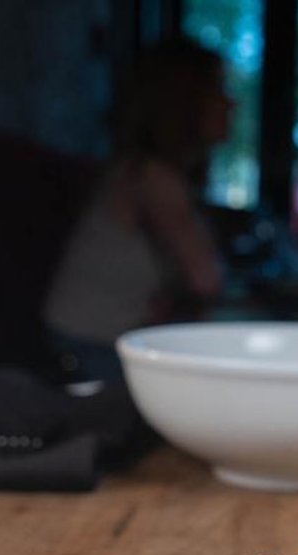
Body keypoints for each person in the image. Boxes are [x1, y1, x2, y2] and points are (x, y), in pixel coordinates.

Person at [43, 38, 232, 380]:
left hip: (95, 342)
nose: (232, 103)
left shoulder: (152, 172)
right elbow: (207, 280)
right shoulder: (151, 177)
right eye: (218, 89)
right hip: (82, 350)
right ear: (185, 102)